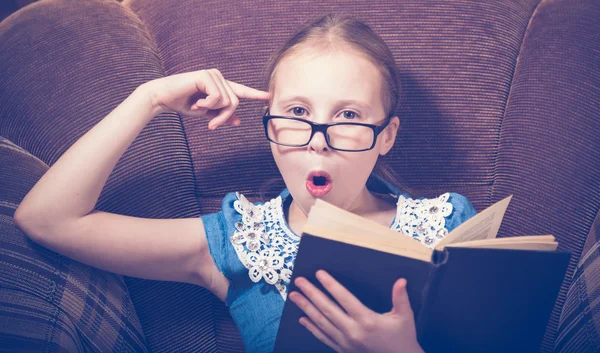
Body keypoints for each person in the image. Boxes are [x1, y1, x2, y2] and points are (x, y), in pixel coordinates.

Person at [14, 13, 477, 353]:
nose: (319, 142)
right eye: (297, 113)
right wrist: (149, 97)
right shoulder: (239, 242)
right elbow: (48, 219)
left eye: (349, 115)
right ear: (270, 125)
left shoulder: (449, 225)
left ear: (386, 136)